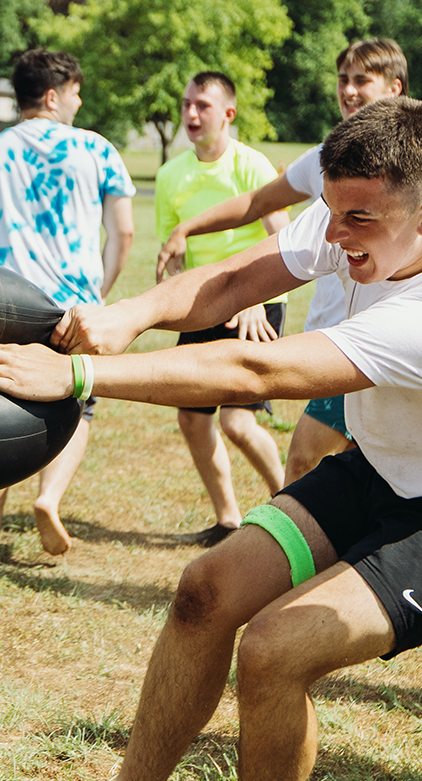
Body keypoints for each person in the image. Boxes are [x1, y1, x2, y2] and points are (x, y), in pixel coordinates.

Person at [0, 97, 422, 781]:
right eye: (332, 213)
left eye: (357, 220)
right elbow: (237, 278)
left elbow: (259, 368)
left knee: (274, 649)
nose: (334, 236)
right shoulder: (360, 213)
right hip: (388, 469)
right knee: (205, 590)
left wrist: (79, 374)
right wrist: (131, 312)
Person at [156, 39, 410, 485]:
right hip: (333, 336)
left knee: (305, 462)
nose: (348, 90)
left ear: (394, 88)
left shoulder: (413, 165)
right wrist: (187, 227)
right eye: (343, 80)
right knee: (355, 466)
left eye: (361, 81)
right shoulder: (324, 156)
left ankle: (292, 550)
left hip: (377, 341)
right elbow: (257, 202)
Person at [0, 47, 136, 554]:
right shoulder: (96, 150)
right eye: (75, 91)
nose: (79, 100)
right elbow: (125, 231)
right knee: (80, 405)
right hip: (71, 307)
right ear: (53, 95)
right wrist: (102, 295)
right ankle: (49, 498)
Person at [153, 72, 288, 546]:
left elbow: (282, 239)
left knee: (236, 420)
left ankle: (291, 509)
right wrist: (170, 283)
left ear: (228, 114)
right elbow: (175, 249)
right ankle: (227, 519)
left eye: (203, 106)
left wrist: (255, 298)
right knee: (192, 417)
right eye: (186, 104)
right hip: (205, 303)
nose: (191, 114)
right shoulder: (170, 175)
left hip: (257, 300)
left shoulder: (252, 165)